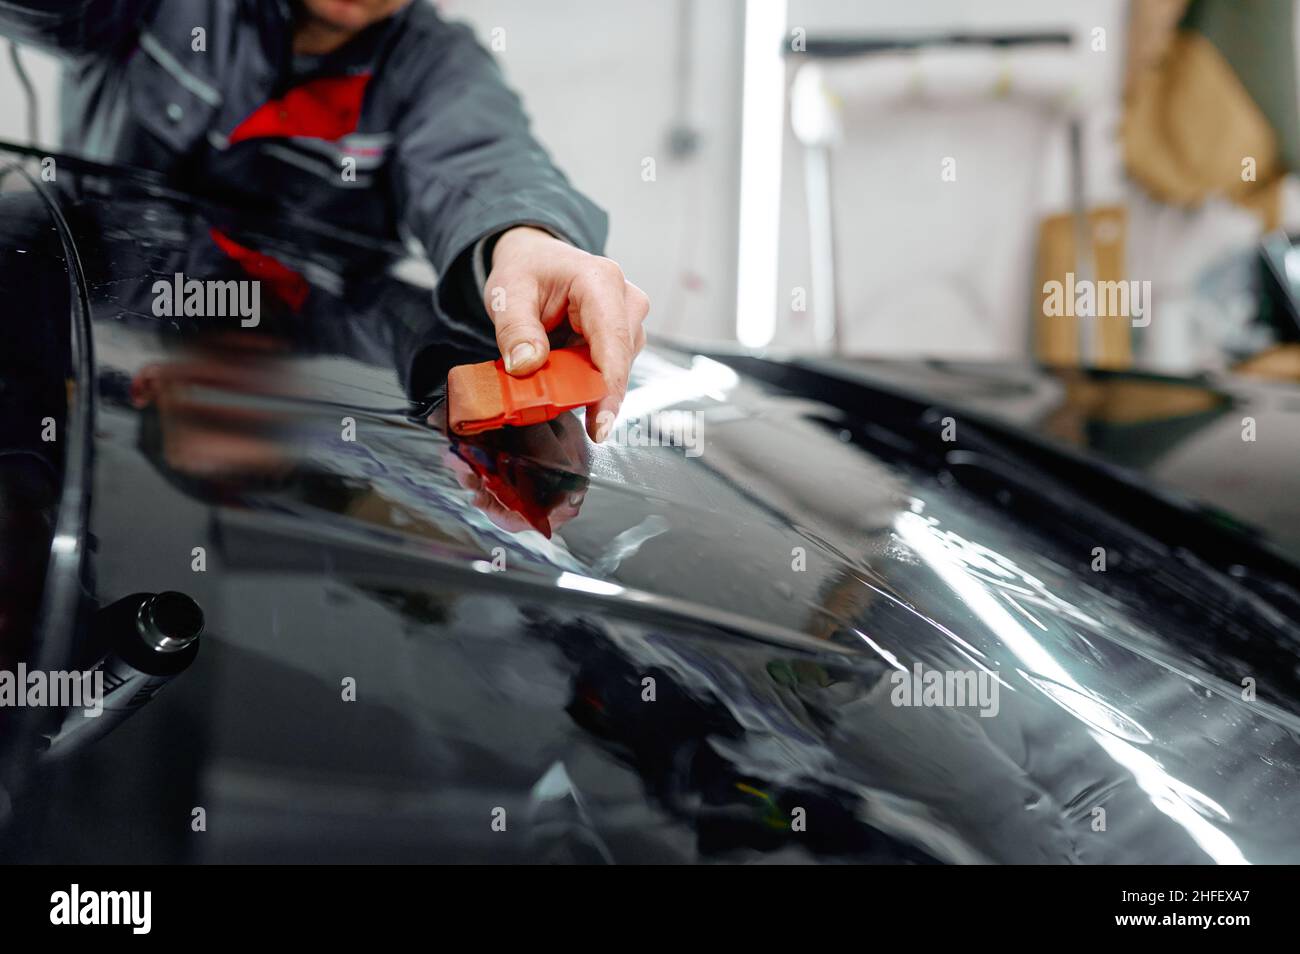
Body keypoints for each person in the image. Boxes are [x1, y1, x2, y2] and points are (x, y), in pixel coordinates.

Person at [0, 0, 649, 441]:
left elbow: (485, 161)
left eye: (222, 414)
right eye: (249, 419)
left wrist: (528, 236)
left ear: (153, 391)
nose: (241, 391)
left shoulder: (433, 66)